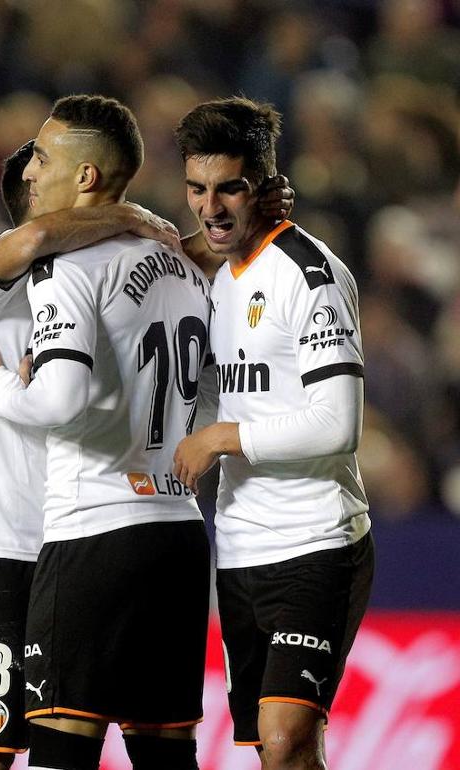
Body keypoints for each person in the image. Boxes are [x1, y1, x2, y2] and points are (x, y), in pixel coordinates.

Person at [0, 95, 212, 770]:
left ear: (83, 178)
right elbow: (39, 239)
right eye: (30, 169)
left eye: (43, 159)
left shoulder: (88, 274)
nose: (32, 178)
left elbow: (68, 395)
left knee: (62, 749)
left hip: (87, 534)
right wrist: (129, 216)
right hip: (3, 547)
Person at [172, 97, 374, 770]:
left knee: (286, 737)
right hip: (238, 548)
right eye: (197, 189)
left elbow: (337, 424)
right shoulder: (217, 275)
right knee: (276, 753)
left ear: (262, 181)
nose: (211, 206)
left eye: (228, 187)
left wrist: (222, 437)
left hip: (316, 541)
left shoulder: (310, 276)